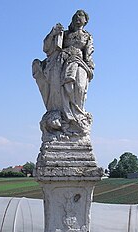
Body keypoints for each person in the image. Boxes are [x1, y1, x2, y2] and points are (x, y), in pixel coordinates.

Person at [33, 10, 94, 141]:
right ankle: (66, 117)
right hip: (63, 61)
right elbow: (47, 48)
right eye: (76, 16)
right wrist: (53, 33)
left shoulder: (87, 36)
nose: (78, 19)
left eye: (81, 17)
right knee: (66, 88)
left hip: (79, 63)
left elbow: (88, 54)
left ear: (86, 21)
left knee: (80, 88)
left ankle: (78, 117)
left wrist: (90, 68)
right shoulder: (65, 33)